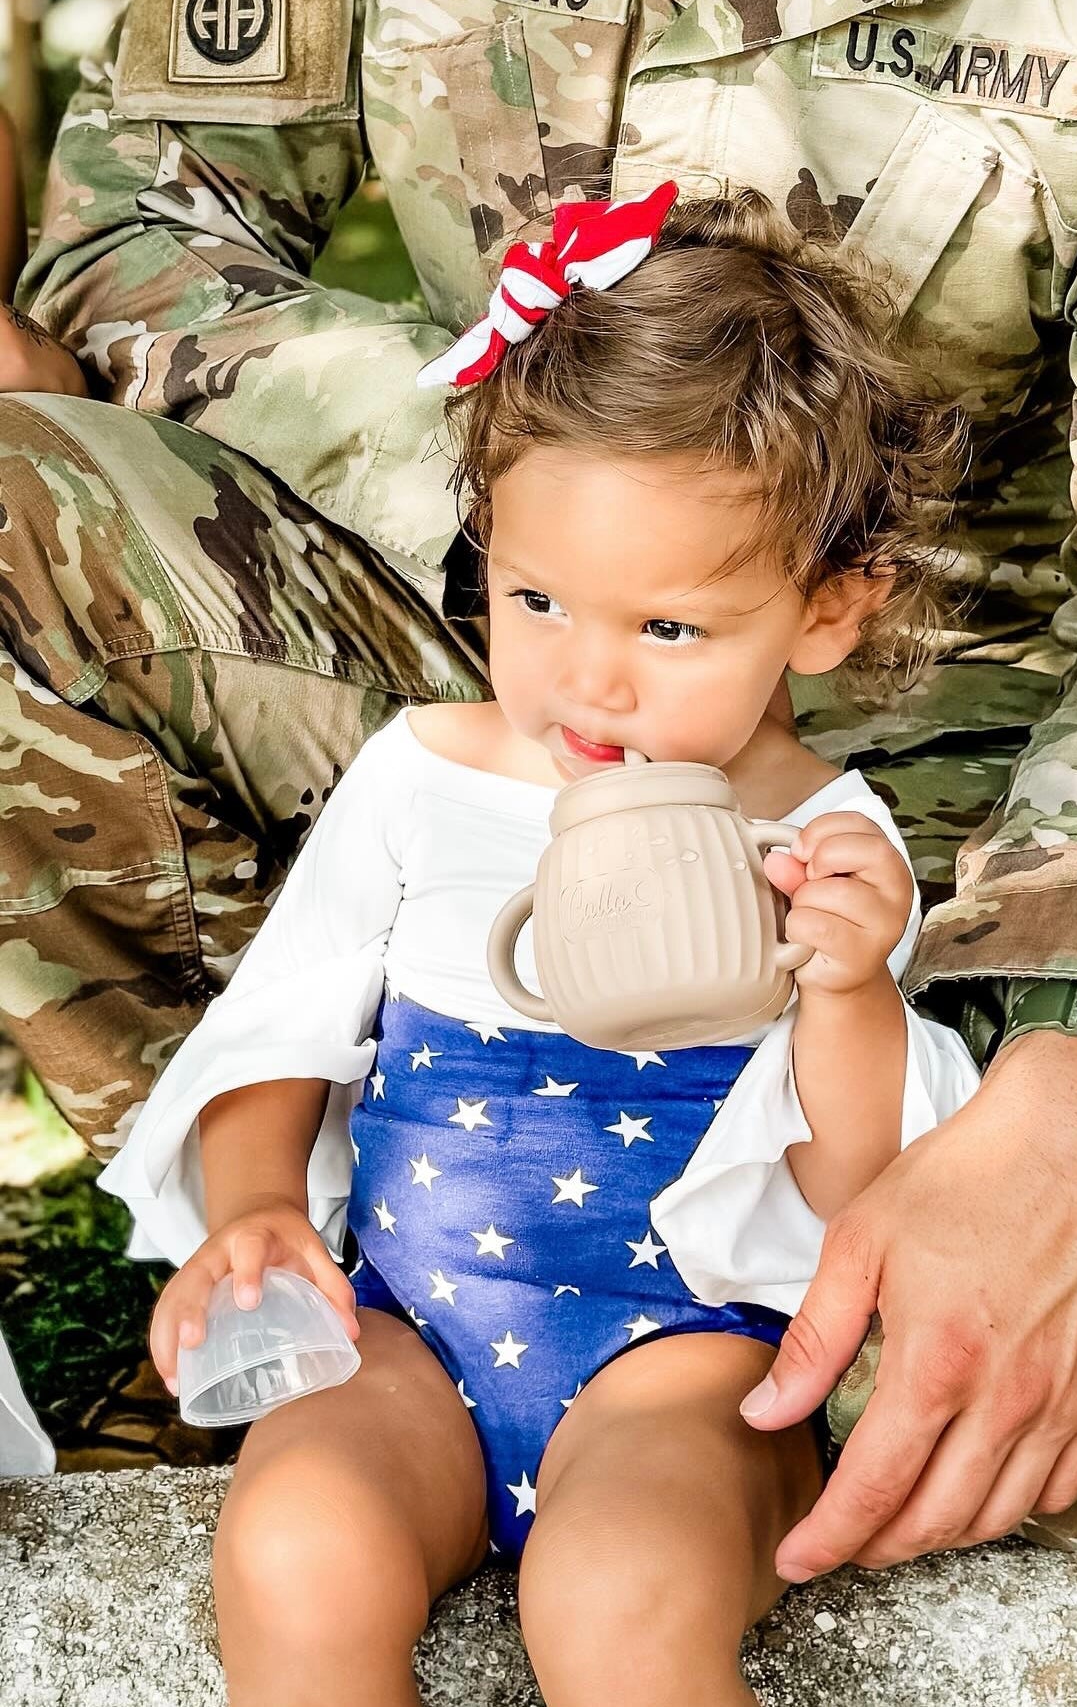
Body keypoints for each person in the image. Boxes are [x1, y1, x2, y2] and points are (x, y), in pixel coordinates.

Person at [3, 0, 1077, 1570]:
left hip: (972, 824)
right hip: (499, 666)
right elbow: (133, 236)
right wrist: (548, 478)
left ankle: (683, 1362)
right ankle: (295, 1272)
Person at [101, 188, 982, 1703]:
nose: (589, 677)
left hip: (684, 1362)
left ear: (831, 609)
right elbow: (289, 1025)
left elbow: (855, 1187)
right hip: (411, 1335)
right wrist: (256, 1207)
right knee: (298, 1543)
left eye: (670, 630)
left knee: (619, 1599)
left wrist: (843, 991)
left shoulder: (828, 845)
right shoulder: (425, 771)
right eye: (536, 597)